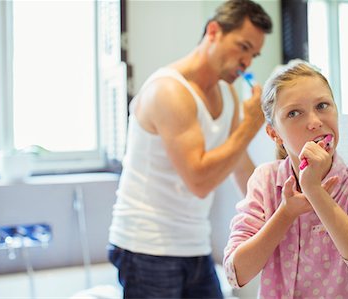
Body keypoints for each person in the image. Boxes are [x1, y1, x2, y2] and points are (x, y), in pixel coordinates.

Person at [108, 1, 272, 298]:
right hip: (146, 247)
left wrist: (277, 211)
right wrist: (250, 126)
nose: (247, 61)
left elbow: (240, 165)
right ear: (213, 32)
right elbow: (199, 181)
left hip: (195, 245)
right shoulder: (169, 90)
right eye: (243, 46)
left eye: (254, 54)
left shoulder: (227, 94)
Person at [223, 60, 348, 298]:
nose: (315, 122)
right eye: (294, 113)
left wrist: (315, 191)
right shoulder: (265, 181)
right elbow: (235, 274)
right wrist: (285, 213)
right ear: (275, 134)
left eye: (323, 105)